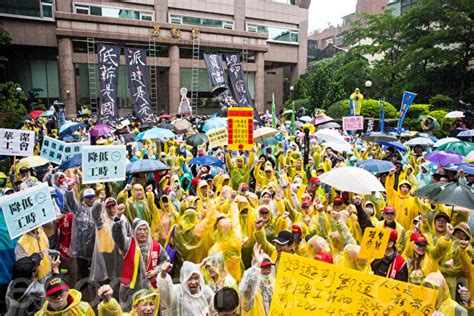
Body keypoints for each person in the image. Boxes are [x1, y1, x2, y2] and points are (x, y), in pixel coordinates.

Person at [112, 218, 169, 311]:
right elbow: (118, 236)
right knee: (132, 311)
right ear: (134, 231)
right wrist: (117, 220)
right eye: (139, 229)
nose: (142, 232)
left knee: (151, 311)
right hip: (131, 289)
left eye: (145, 229)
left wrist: (156, 271)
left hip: (150, 287)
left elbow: (165, 260)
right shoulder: (128, 244)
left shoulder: (156, 246)